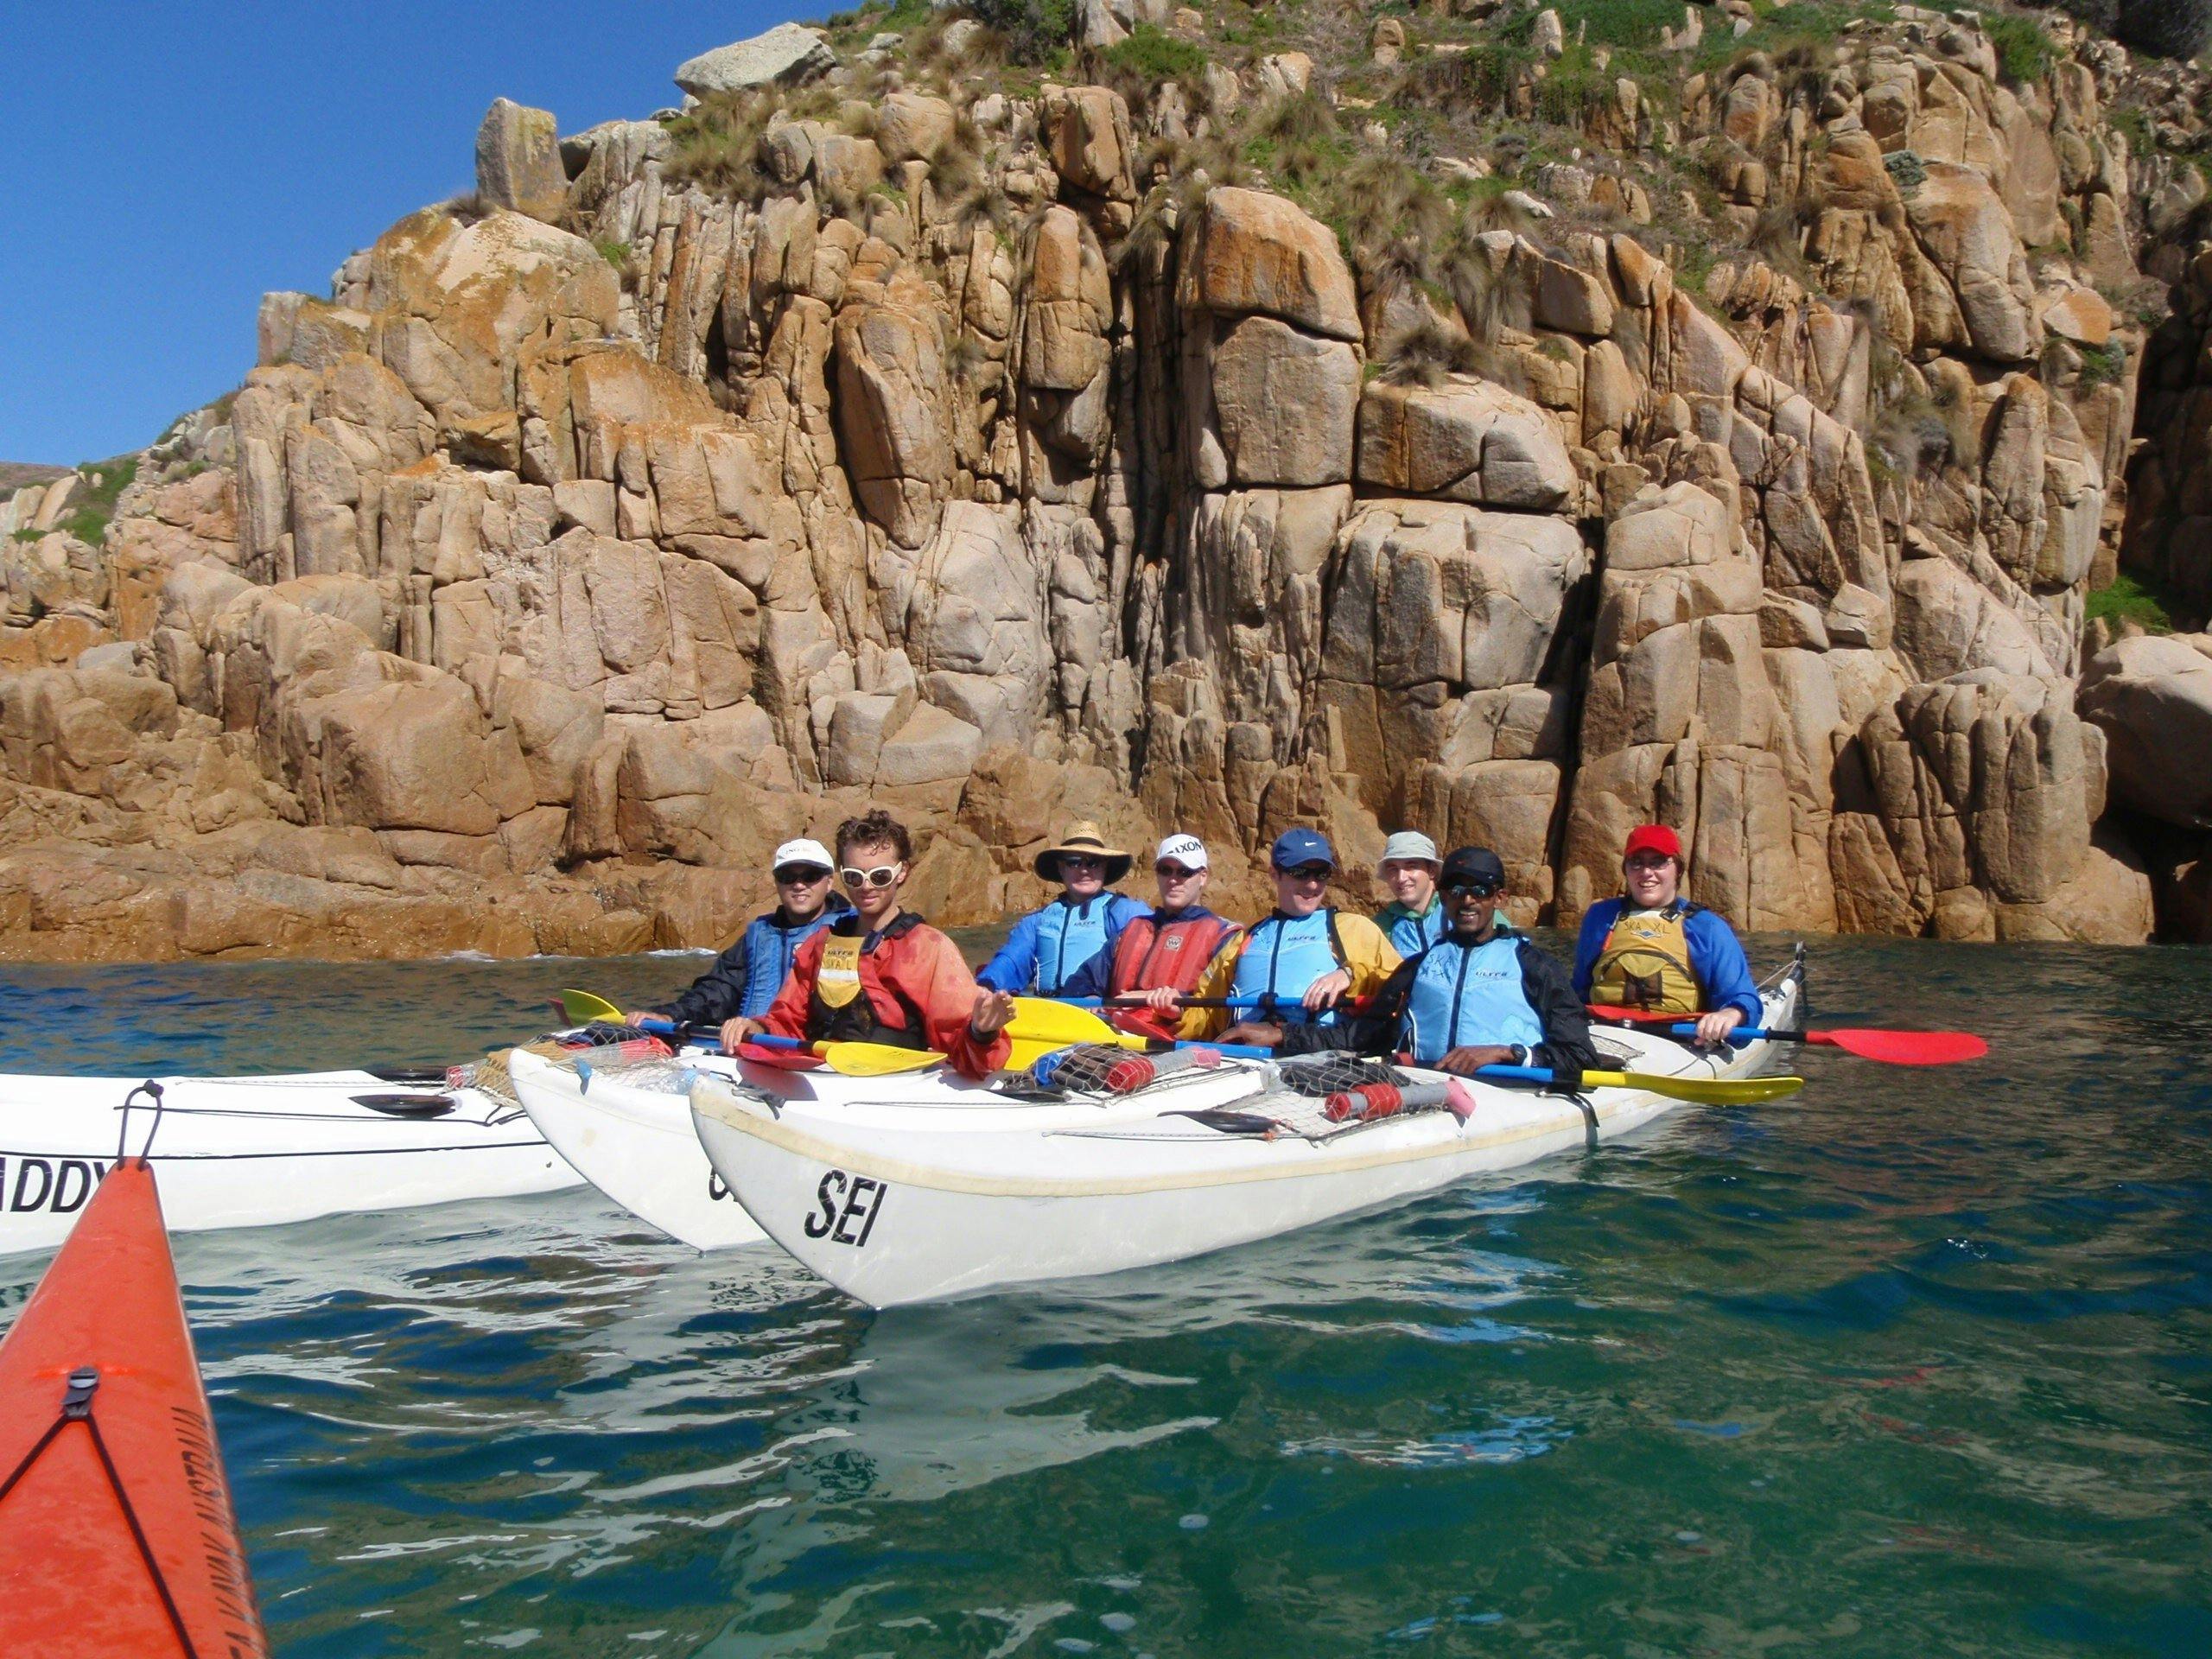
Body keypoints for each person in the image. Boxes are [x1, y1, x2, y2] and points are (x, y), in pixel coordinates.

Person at [725, 810, 1014, 1078]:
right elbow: (786, 1021)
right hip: (823, 1074)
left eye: (879, 876)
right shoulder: (822, 943)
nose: (865, 887)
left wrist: (982, 1032)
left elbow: (966, 1053)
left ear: (902, 873)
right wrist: (757, 1027)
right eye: (854, 876)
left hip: (894, 1082)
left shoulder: (929, 947)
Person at [1273, 847, 1599, 1077]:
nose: (1467, 899)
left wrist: (1506, 1053)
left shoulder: (1536, 966)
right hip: (1429, 1088)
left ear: (1499, 898)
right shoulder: (1417, 967)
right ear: (1443, 897)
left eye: (1480, 890)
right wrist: (1282, 1035)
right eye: (1455, 890)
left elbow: (1579, 1056)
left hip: (1509, 1090)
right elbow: (1358, 1037)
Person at [1162, 828, 1401, 1047]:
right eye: (1300, 873)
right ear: (1274, 874)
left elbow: (1400, 988)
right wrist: (1177, 1012)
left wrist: (1351, 974)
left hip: (1319, 1055)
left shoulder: (1354, 928)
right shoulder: (1243, 940)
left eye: (1322, 873)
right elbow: (1205, 1015)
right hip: (1244, 1060)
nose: (1312, 884)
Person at [628, 838, 852, 1036]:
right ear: (776, 882)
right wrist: (670, 1015)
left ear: (829, 881)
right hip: (753, 1044)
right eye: (787, 877)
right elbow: (717, 991)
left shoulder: (849, 930)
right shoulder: (758, 935)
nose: (799, 885)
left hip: (813, 1051)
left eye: (811, 876)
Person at [1572, 823, 1760, 1047]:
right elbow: (1578, 990)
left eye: (1658, 862)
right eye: (1636, 862)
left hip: (1679, 1038)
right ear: (1625, 869)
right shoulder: (1601, 916)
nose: (1646, 872)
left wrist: (1730, 1014)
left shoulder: (1706, 926)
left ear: (1678, 869)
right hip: (1605, 1031)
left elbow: (1742, 996)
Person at [1063, 834, 1243, 1039]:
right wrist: (1090, 996)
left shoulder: (1224, 937)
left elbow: (1216, 1015)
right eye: (1165, 870)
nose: (1174, 880)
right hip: (1114, 1035)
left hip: (1172, 1045)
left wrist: (1172, 1004)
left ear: (1202, 876)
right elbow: (1082, 979)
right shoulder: (1133, 929)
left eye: (1184, 872)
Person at [975, 821, 1152, 997]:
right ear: (1061, 868)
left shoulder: (1129, 913)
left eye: (1094, 863)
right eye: (1074, 863)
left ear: (1105, 867)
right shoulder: (1037, 921)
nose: (1084, 870)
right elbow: (1012, 959)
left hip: (1100, 1012)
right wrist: (987, 985)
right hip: (1050, 1011)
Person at [1374, 830, 1448, 957]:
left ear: (1431, 871)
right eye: (1393, 869)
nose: (1401, 878)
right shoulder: (1380, 927)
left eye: (1411, 867)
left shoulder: (1458, 911)